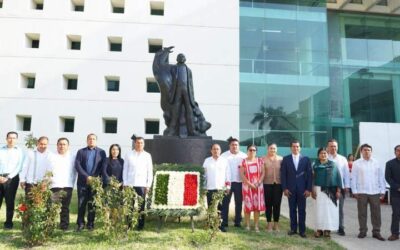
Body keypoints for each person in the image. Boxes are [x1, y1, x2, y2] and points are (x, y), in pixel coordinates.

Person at [351, 144, 386, 241]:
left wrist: (382, 191)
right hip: (362, 191)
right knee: (362, 213)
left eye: (369, 150)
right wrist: (354, 191)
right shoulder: (356, 163)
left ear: (371, 151)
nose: (367, 152)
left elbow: (381, 178)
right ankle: (362, 231)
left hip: (374, 191)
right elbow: (353, 178)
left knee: (376, 213)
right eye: (365, 150)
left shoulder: (377, 163)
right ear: (361, 152)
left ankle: (376, 232)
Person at [75, 133, 106, 231]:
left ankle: (90, 223)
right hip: (82, 182)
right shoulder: (81, 152)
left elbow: (102, 167)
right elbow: (77, 165)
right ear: (87, 140)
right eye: (89, 139)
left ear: (96, 141)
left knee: (92, 204)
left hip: (95, 182)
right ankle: (80, 224)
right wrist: (86, 176)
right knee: (81, 203)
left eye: (93, 139)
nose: (91, 140)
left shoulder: (102, 152)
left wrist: (93, 177)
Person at [281, 139, 312, 238]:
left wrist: (308, 189)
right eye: (294, 146)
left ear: (300, 148)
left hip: (303, 190)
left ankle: (302, 231)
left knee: (302, 210)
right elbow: (283, 175)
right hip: (290, 190)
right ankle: (293, 229)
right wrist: (284, 188)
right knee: (292, 210)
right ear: (291, 148)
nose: (296, 148)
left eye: (297, 146)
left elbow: (309, 176)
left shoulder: (306, 159)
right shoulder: (286, 159)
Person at [123, 137, 153, 230]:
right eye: (138, 143)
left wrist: (148, 185)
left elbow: (150, 171)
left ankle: (140, 225)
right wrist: (125, 182)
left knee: (141, 206)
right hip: (130, 184)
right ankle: (129, 224)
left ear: (143, 144)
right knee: (130, 205)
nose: (139, 144)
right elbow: (125, 169)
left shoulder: (147, 155)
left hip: (142, 184)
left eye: (141, 143)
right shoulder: (128, 154)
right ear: (134, 143)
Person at [312, 147, 342, 238]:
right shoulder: (314, 165)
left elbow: (338, 178)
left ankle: (327, 230)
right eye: (321, 153)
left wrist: (338, 191)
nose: (323, 155)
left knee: (329, 211)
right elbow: (312, 178)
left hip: (331, 191)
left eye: (325, 153)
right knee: (319, 210)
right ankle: (319, 229)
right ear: (318, 155)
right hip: (318, 190)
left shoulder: (333, 164)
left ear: (327, 154)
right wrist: (312, 190)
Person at [50, 137, 77, 230]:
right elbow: (48, 171)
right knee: (53, 206)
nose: (62, 146)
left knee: (65, 207)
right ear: (57, 145)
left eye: (64, 144)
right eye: (60, 144)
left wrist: (72, 183)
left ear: (68, 146)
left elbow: (74, 172)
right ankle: (51, 224)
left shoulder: (72, 157)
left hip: (67, 185)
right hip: (55, 185)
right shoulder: (51, 156)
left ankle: (64, 225)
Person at [203, 143, 230, 232]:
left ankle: (220, 225)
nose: (216, 151)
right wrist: (203, 187)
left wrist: (228, 187)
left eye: (218, 149)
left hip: (221, 189)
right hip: (210, 188)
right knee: (211, 207)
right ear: (211, 151)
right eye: (214, 149)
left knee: (221, 208)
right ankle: (210, 224)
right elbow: (204, 175)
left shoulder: (224, 161)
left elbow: (228, 175)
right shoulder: (207, 161)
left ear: (220, 151)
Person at [0, 131, 25, 229]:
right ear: (6, 139)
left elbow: (19, 167)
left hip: (12, 178)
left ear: (16, 139)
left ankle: (8, 223)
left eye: (14, 138)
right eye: (10, 138)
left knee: (9, 201)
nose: (11, 140)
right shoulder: (1, 149)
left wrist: (8, 177)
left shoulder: (20, 151)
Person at [221, 137, 247, 228]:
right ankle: (224, 221)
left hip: (239, 183)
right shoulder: (224, 155)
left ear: (239, 146)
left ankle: (237, 222)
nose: (234, 146)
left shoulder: (244, 156)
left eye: (236, 145)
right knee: (225, 202)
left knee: (239, 203)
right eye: (232, 145)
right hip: (227, 183)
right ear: (229, 146)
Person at [327, 139, 350, 236]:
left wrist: (347, 186)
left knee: (339, 209)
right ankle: (328, 227)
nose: (333, 148)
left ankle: (340, 227)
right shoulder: (325, 157)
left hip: (340, 187)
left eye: (335, 146)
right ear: (328, 147)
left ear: (337, 147)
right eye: (331, 146)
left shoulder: (342, 159)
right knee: (328, 208)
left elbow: (346, 174)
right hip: (327, 187)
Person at [240, 144, 265, 232]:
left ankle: (256, 226)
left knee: (257, 207)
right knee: (248, 206)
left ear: (256, 151)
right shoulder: (243, 161)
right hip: (247, 187)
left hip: (258, 187)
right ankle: (247, 225)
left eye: (254, 150)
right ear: (247, 151)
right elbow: (242, 174)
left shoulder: (260, 161)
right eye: (250, 150)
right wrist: (250, 184)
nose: (252, 152)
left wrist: (258, 183)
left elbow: (263, 173)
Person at [263, 143, 283, 232]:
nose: (272, 150)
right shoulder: (262, 159)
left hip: (278, 184)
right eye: (271, 148)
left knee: (277, 204)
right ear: (268, 149)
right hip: (266, 184)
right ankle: (269, 224)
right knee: (268, 204)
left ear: (276, 149)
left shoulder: (281, 159)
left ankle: (276, 224)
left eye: (274, 148)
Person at [385, 145, 400, 241]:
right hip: (396, 193)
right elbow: (388, 177)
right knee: (396, 214)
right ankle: (394, 234)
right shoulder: (390, 163)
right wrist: (397, 187)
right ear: (395, 152)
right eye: (398, 150)